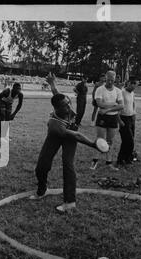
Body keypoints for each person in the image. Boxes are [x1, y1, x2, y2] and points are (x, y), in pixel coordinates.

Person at [31, 73, 103, 213]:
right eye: (65, 106)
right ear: (56, 109)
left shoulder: (64, 101)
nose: (69, 107)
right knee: (42, 164)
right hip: (58, 133)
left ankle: (69, 202)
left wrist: (52, 84)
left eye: (68, 103)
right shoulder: (54, 125)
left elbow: (57, 95)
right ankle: (42, 189)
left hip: (70, 129)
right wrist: (93, 144)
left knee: (68, 163)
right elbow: (77, 136)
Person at [90, 70, 124, 170]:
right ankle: (94, 161)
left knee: (110, 141)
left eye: (112, 80)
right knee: (100, 140)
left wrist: (108, 109)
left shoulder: (118, 91)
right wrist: (114, 104)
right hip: (102, 117)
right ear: (105, 78)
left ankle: (109, 162)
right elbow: (99, 104)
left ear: (114, 79)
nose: (110, 82)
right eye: (108, 80)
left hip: (113, 118)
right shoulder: (100, 89)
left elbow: (121, 106)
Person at [117, 78, 137, 166]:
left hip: (131, 118)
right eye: (132, 84)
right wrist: (119, 120)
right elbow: (117, 106)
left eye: (135, 84)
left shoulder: (132, 93)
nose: (133, 86)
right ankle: (122, 159)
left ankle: (125, 159)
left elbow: (133, 103)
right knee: (129, 141)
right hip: (123, 118)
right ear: (128, 83)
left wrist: (134, 114)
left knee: (127, 140)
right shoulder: (122, 92)